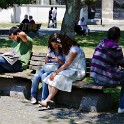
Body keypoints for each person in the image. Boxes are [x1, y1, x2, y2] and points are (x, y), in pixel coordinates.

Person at [39, 34, 86, 107]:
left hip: (78, 72)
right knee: (50, 78)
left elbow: (67, 64)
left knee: (57, 78)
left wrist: (56, 72)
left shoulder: (74, 50)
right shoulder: (69, 49)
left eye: (59, 44)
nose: (59, 46)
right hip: (69, 70)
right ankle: (51, 101)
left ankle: (47, 100)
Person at [90, 26, 124, 114]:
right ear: (118, 38)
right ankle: (122, 107)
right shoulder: (116, 48)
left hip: (95, 77)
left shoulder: (100, 44)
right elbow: (122, 63)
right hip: (105, 78)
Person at [31, 33, 65, 104]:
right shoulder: (50, 49)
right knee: (36, 76)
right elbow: (46, 60)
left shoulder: (64, 51)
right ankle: (33, 96)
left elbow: (66, 64)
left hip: (56, 69)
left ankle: (44, 99)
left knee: (44, 76)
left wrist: (58, 60)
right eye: (52, 44)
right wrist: (46, 59)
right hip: (47, 67)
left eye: (55, 44)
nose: (54, 46)